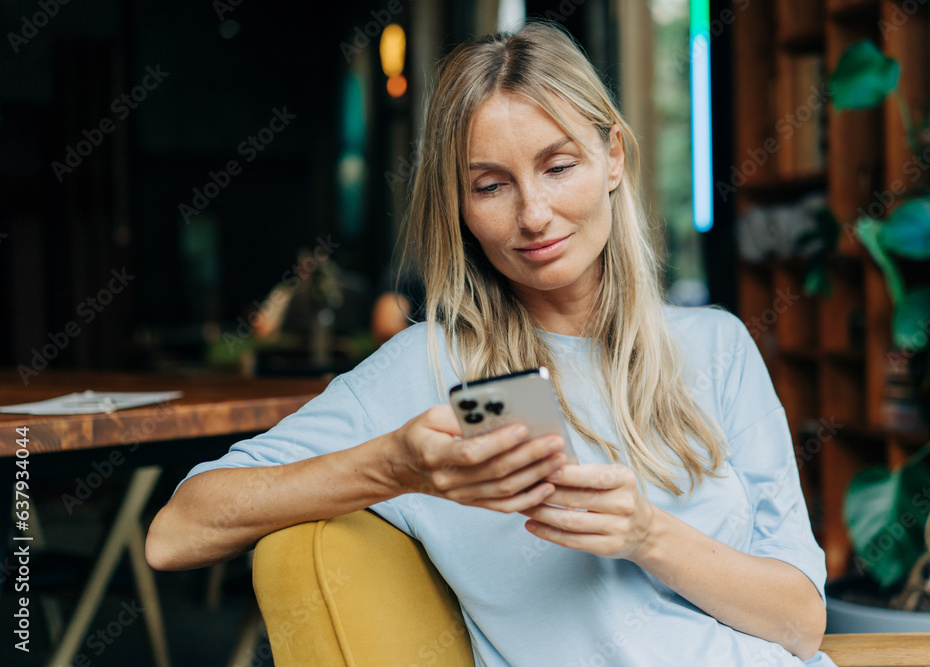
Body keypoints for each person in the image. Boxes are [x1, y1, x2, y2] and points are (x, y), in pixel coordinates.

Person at [147, 22, 834, 666]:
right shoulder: (437, 371)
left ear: (613, 156)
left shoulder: (715, 345)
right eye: (491, 185)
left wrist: (649, 535)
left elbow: (801, 620)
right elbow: (175, 532)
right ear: (461, 207)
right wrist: (396, 465)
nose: (533, 215)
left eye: (558, 166)